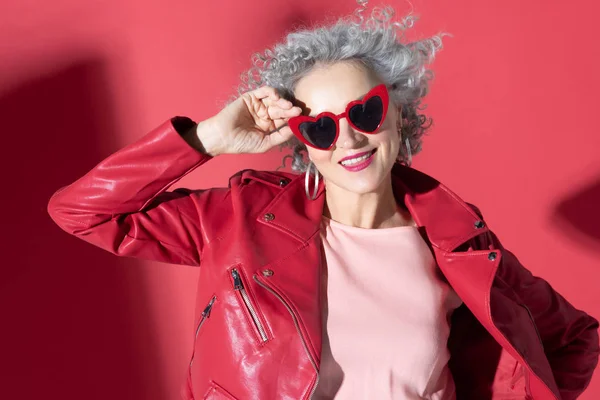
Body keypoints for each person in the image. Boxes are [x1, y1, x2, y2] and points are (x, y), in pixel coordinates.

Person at [47, 1, 599, 399]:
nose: (350, 140)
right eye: (322, 128)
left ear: (398, 114)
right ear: (301, 141)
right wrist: (207, 139)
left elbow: (575, 338)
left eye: (365, 113)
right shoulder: (238, 222)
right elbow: (82, 213)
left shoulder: (459, 243)